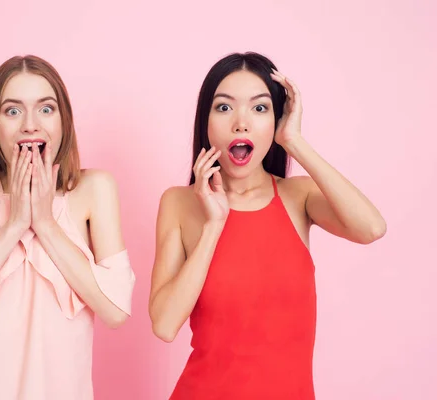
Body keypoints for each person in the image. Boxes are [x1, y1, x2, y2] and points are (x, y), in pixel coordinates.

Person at [148, 52, 386, 399]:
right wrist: (214, 224)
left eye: (259, 109)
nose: (240, 123)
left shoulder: (298, 196)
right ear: (206, 121)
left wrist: (294, 142)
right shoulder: (179, 203)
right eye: (224, 107)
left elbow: (371, 228)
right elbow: (165, 325)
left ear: (276, 121)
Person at [0, 55, 135, 400]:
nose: (30, 125)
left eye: (46, 109)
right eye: (13, 111)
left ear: (64, 121)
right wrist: (15, 224)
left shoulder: (95, 189)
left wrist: (46, 224)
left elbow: (116, 309)